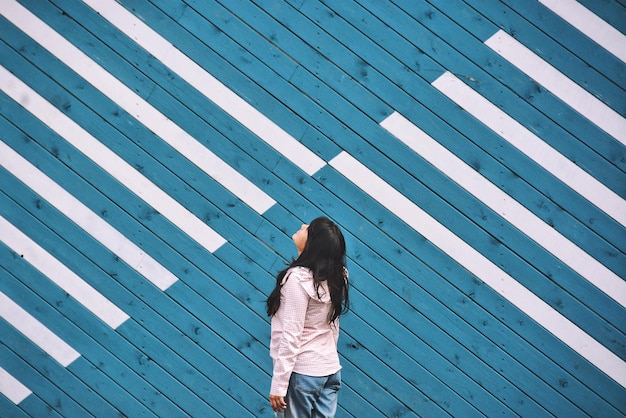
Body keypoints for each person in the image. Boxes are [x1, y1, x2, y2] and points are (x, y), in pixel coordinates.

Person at [267, 217, 350, 417]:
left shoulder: (297, 279)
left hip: (303, 373)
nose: (303, 226)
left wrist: (279, 384)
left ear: (313, 243)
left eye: (309, 228)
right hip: (329, 370)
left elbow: (292, 334)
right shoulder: (338, 275)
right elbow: (333, 325)